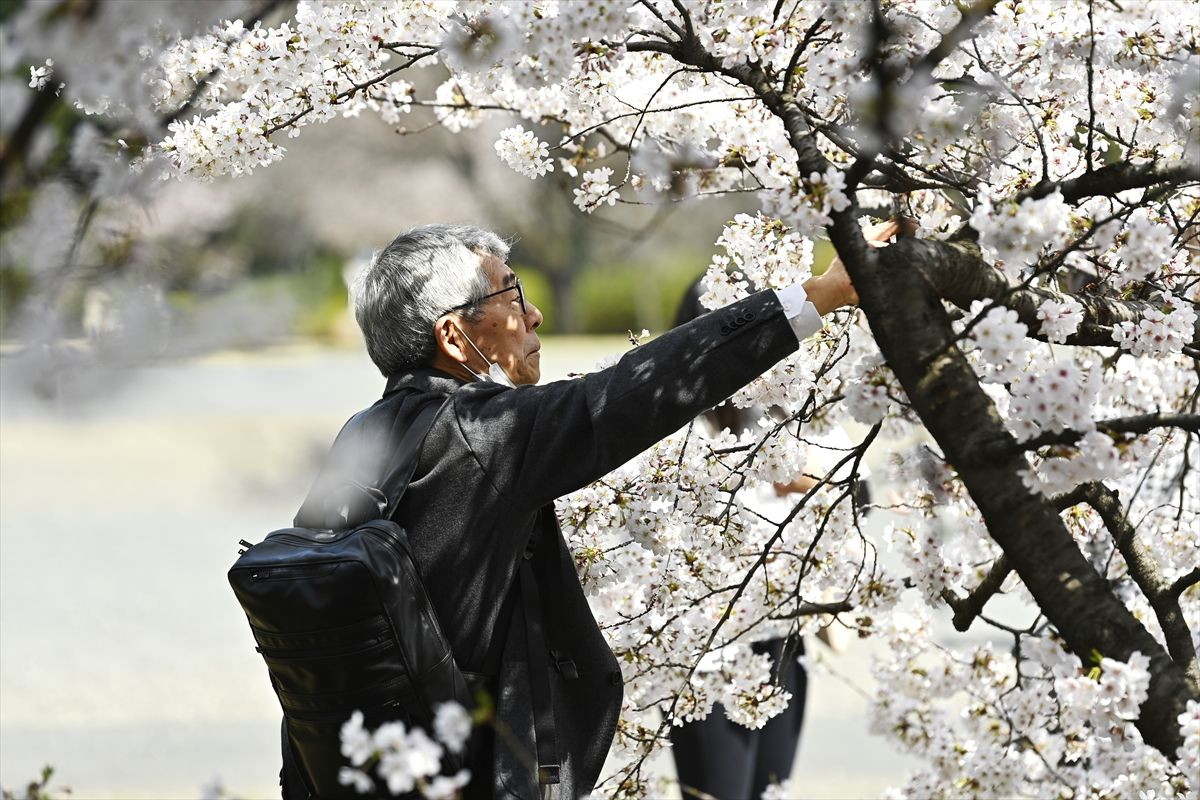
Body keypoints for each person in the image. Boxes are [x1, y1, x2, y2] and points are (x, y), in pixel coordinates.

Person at [288, 222, 862, 799]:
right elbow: (637, 388)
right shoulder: (483, 433)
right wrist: (818, 297)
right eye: (511, 295)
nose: (533, 314)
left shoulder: (360, 436)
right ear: (455, 337)